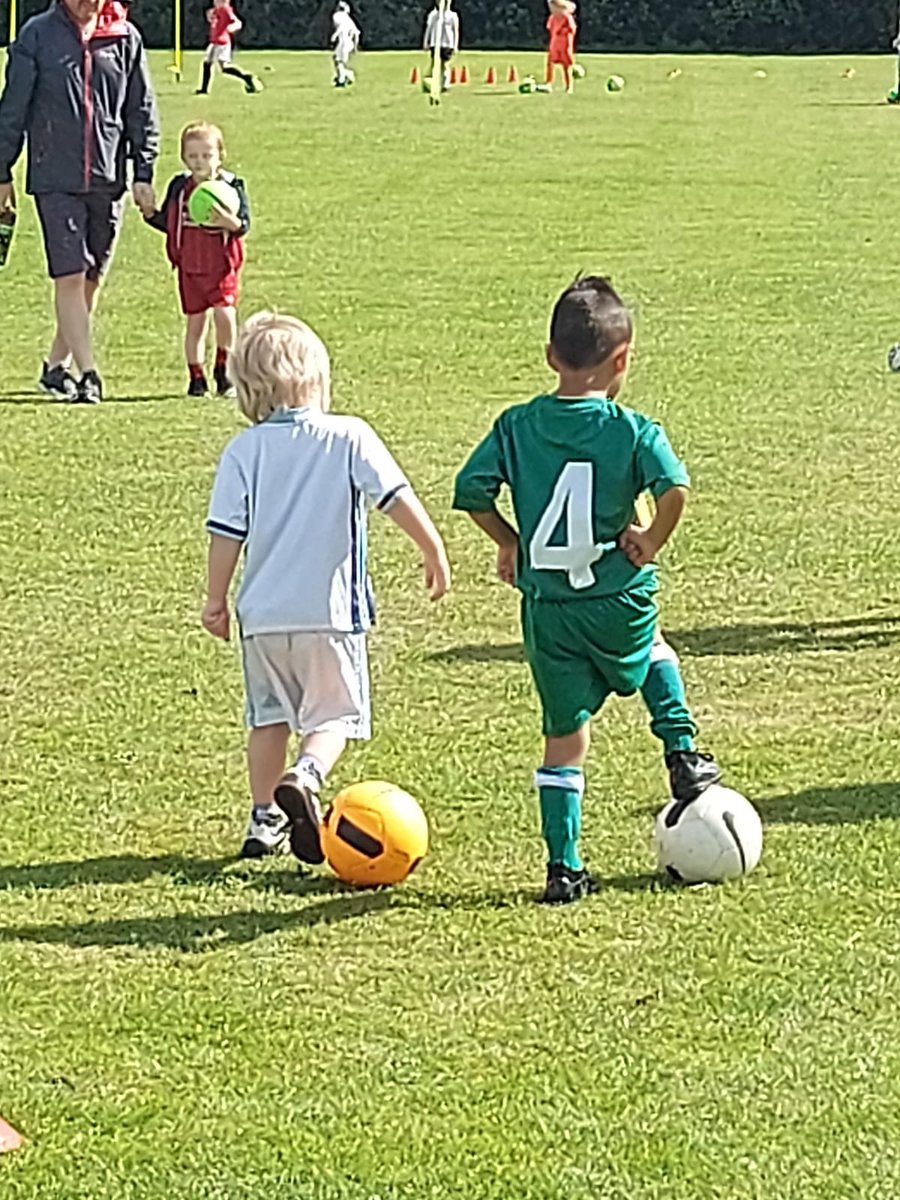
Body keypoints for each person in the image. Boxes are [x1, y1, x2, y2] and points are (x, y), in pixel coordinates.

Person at [453, 276, 720, 905]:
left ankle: (564, 868)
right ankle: (682, 752)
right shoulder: (632, 430)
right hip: (615, 596)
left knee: (564, 737)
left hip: (549, 609)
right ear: (622, 358)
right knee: (654, 651)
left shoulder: (516, 425)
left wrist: (509, 541)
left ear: (550, 355)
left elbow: (470, 491)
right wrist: (650, 540)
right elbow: (675, 489)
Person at [202, 312, 451, 861]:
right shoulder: (349, 435)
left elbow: (227, 533)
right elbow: (394, 496)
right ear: (317, 376)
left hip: (262, 617)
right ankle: (307, 776)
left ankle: (264, 819)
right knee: (334, 716)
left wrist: (215, 599)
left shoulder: (243, 452)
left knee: (267, 717)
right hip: (331, 612)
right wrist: (431, 547)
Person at [0, 0, 159, 403]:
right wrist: (1, 171)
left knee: (91, 277)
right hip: (54, 176)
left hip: (108, 177)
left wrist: (143, 171)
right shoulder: (36, 35)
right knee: (69, 273)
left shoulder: (125, 37)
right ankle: (89, 373)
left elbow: (140, 108)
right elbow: (12, 109)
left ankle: (55, 367)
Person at [145, 123, 249, 398]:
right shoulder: (180, 187)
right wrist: (149, 212)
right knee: (195, 323)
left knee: (226, 313)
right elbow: (169, 222)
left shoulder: (231, 185)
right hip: (190, 266)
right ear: (183, 158)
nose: (199, 162)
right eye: (193, 156)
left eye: (206, 155)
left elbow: (243, 224)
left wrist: (231, 221)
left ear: (219, 156)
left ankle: (224, 370)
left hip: (221, 265)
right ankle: (196, 376)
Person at [195, 0, 262, 96]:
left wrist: (232, 27)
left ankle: (247, 77)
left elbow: (237, 22)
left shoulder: (226, 10)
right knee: (207, 63)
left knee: (224, 67)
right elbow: (214, 22)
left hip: (222, 42)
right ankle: (204, 89)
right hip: (214, 41)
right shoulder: (216, 10)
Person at [423, 1, 460, 92]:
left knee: (445, 64)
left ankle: (445, 85)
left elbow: (455, 31)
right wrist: (425, 42)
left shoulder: (452, 15)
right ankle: (432, 83)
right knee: (434, 64)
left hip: (447, 44)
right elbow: (429, 29)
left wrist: (455, 45)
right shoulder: (433, 15)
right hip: (435, 43)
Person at [546, 0, 577, 93]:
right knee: (550, 63)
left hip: (565, 45)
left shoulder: (567, 17)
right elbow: (549, 27)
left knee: (566, 66)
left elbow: (572, 29)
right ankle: (548, 83)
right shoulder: (552, 18)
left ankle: (569, 86)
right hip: (554, 44)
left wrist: (563, 31)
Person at [331, 1, 361, 88]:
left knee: (338, 61)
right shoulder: (349, 19)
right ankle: (346, 76)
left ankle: (343, 78)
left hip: (343, 42)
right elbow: (356, 33)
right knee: (338, 61)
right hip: (348, 43)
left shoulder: (338, 16)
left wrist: (335, 35)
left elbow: (341, 28)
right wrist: (355, 46)